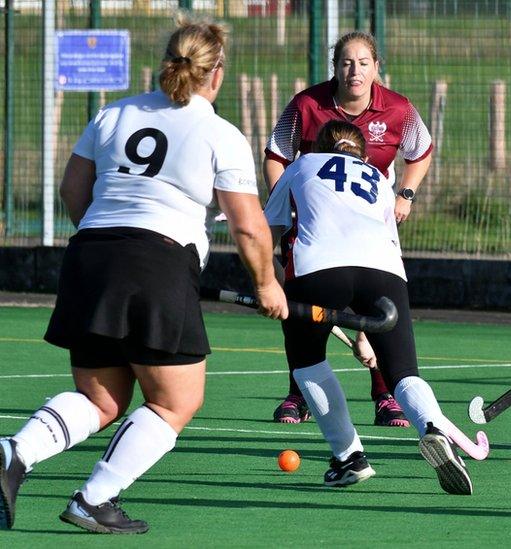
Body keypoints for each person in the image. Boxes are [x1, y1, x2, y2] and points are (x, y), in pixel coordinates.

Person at [0, 16, 288, 534]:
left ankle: (13, 450)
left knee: (101, 399)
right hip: (158, 260)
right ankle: (94, 498)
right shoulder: (219, 133)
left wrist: (110, 250)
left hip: (90, 255)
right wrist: (268, 284)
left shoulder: (112, 114)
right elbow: (248, 228)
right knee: (177, 400)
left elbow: (72, 192)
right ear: (216, 73)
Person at [264, 119, 475, 494]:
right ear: (363, 153)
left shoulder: (301, 165)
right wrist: (366, 335)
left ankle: (349, 458)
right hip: (385, 274)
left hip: (319, 269)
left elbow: (270, 230)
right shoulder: (380, 181)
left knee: (307, 362)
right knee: (403, 372)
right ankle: (432, 427)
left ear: (317, 148)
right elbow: (372, 250)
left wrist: (269, 283)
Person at [264, 30, 433, 427]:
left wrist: (405, 194)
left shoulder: (399, 110)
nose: (353, 71)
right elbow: (277, 156)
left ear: (376, 67)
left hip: (370, 221)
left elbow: (421, 152)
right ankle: (299, 393)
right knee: (305, 311)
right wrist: (288, 203)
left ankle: (384, 394)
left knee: (370, 306)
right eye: (345, 62)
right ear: (334, 66)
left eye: (362, 63)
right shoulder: (306, 105)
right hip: (315, 222)